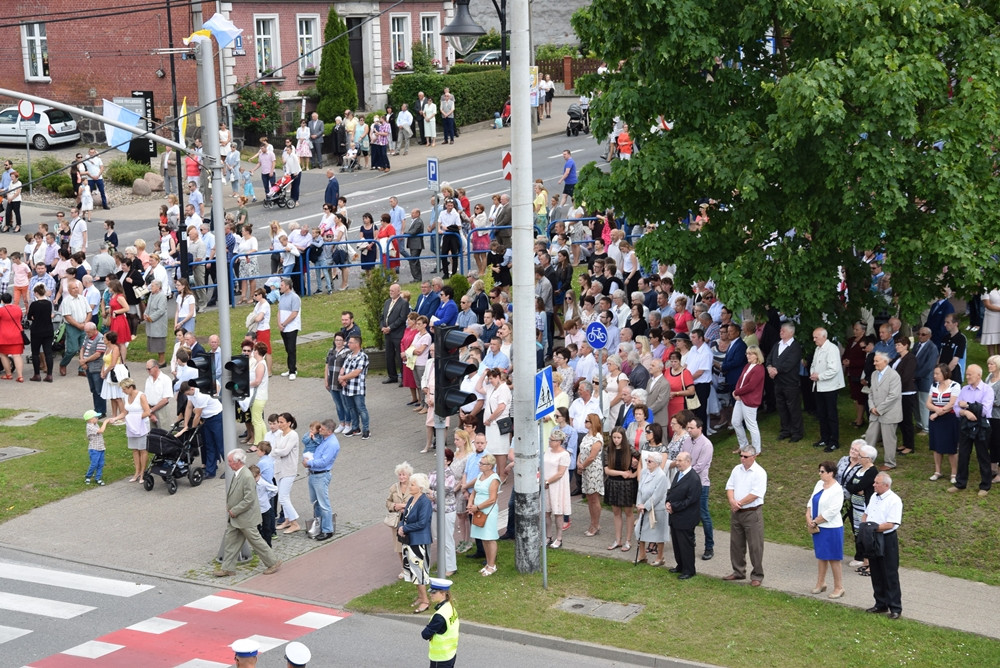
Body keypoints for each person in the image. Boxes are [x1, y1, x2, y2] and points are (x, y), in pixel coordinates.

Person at [213, 449, 283, 578]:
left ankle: (273, 562)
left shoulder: (246, 476)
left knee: (256, 541)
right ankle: (228, 568)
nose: (228, 464)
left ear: (238, 462)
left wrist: (234, 510)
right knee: (230, 542)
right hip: (237, 517)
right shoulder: (239, 473)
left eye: (230, 461)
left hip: (245, 517)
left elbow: (249, 499)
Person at [722, 446, 767, 586]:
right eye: (741, 456)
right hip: (737, 512)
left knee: (755, 545)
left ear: (754, 457)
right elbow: (730, 487)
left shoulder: (759, 473)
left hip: (751, 513)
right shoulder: (737, 469)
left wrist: (739, 503)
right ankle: (738, 571)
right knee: (736, 544)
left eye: (745, 456)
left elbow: (755, 494)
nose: (742, 458)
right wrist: (732, 501)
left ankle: (757, 575)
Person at [949, 364, 996, 496]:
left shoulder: (987, 390)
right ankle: (960, 483)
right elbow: (957, 408)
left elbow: (985, 410)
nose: (967, 376)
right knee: (963, 454)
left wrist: (967, 405)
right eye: (967, 374)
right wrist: (966, 413)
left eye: (970, 374)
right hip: (965, 425)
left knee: (983, 455)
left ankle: (985, 486)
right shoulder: (964, 389)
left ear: (979, 375)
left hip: (981, 426)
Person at [862, 472, 903, 619]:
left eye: (876, 483)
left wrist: (871, 528)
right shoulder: (874, 497)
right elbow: (866, 514)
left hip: (886, 539)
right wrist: (864, 526)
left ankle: (895, 607)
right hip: (872, 537)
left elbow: (891, 524)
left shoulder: (894, 500)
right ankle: (880, 603)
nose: (873, 485)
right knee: (876, 571)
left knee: (889, 573)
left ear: (886, 485)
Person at [806, 460, 846, 598]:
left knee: (834, 558)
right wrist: (808, 515)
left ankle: (839, 587)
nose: (820, 474)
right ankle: (820, 583)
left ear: (831, 473)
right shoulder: (819, 484)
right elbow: (811, 501)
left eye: (822, 471)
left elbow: (833, 510)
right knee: (821, 556)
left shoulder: (837, 489)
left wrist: (816, 521)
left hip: (831, 528)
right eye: (819, 471)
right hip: (818, 527)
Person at [398, 472, 434, 611]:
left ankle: (425, 600)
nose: (410, 486)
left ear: (420, 487)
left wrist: (405, 528)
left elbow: (422, 522)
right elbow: (405, 516)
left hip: (419, 540)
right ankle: (420, 596)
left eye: (412, 484)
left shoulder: (425, 502)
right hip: (409, 539)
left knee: (419, 570)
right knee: (412, 569)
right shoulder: (411, 500)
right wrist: (401, 526)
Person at [179, 381, 225, 479]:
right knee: (209, 445)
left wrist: (192, 428)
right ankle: (210, 471)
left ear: (192, 389)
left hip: (216, 417)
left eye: (187, 393)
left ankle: (231, 470)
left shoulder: (201, 395)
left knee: (221, 445)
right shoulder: (191, 394)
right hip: (206, 419)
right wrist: (186, 424)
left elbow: (197, 415)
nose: (187, 395)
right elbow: (189, 407)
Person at [666, 452, 702, 579]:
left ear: (688, 461)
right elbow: (672, 490)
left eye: (680, 460)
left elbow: (690, 500)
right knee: (676, 543)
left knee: (686, 544)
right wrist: (668, 502)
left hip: (686, 517)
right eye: (677, 460)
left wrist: (674, 506)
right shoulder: (679, 474)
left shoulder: (694, 479)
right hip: (675, 516)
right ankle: (680, 565)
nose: (677, 463)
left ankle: (689, 570)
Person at [766, 322, 804, 442]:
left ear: (791, 332)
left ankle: (797, 432)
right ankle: (785, 430)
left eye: (783, 331)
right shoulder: (777, 344)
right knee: (781, 407)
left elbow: (789, 364)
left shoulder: (795, 347)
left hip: (790, 383)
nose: (780, 332)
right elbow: (769, 358)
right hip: (778, 382)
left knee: (793, 408)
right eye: (781, 330)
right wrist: (769, 367)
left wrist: (776, 370)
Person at [865, 352, 903, 471]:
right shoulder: (874, 374)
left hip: (889, 413)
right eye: (874, 361)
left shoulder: (894, 375)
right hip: (874, 412)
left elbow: (894, 396)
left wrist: (879, 409)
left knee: (889, 439)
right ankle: (866, 459)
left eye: (877, 361)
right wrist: (872, 408)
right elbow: (870, 392)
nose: (874, 363)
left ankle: (890, 462)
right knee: (870, 436)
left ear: (885, 362)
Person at [303, 419, 340, 541]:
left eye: (322, 429)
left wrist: (309, 463)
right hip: (314, 473)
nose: (320, 430)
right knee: (316, 502)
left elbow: (324, 461)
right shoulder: (324, 439)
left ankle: (327, 529)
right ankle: (318, 525)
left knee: (323, 503)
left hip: (321, 475)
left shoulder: (332, 444)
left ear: (329, 431)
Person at [810, 327, 845, 451]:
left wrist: (819, 376)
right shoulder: (818, 349)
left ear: (824, 336)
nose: (814, 340)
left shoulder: (832, 349)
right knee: (822, 413)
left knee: (831, 414)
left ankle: (834, 440)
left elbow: (833, 369)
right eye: (814, 337)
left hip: (830, 386)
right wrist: (813, 373)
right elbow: (814, 364)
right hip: (819, 385)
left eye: (816, 337)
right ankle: (824, 438)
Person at [603, 426, 637, 551]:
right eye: (614, 437)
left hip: (627, 485)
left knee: (628, 512)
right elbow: (607, 470)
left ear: (623, 438)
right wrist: (621, 473)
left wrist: (634, 473)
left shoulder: (629, 449)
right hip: (613, 483)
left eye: (618, 437)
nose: (616, 440)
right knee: (616, 513)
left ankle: (628, 540)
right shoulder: (608, 449)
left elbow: (642, 460)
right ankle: (618, 539)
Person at [467, 452, 500, 575]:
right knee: (483, 538)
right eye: (480, 463)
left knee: (489, 538)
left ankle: (492, 565)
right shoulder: (481, 475)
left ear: (490, 466)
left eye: (482, 463)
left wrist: (477, 507)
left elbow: (492, 499)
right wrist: (470, 503)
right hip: (478, 509)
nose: (479, 465)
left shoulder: (494, 479)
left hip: (488, 510)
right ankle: (488, 562)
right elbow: (474, 492)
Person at [634, 451, 669, 565]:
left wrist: (646, 506)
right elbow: (640, 490)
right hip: (643, 507)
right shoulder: (644, 472)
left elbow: (657, 495)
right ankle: (642, 555)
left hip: (657, 509)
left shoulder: (661, 476)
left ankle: (660, 557)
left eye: (650, 461)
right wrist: (639, 504)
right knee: (639, 530)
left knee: (658, 534)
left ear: (657, 463)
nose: (647, 463)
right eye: (646, 461)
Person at [271, 412, 302, 533]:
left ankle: (294, 522)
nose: (279, 424)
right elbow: (274, 450)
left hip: (289, 469)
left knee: (283, 497)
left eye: (281, 422)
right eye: (278, 422)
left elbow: (285, 452)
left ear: (289, 423)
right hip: (278, 469)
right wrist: (277, 451)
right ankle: (288, 520)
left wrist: (277, 452)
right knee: (284, 496)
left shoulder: (293, 435)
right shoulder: (279, 435)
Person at [732, 345, 765, 454]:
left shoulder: (759, 368)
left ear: (756, 355)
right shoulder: (747, 366)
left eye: (750, 353)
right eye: (747, 353)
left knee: (751, 425)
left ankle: (757, 449)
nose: (748, 355)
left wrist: (737, 392)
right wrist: (737, 391)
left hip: (750, 399)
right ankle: (744, 445)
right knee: (735, 422)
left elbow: (751, 386)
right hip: (741, 398)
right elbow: (740, 380)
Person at [421, 577, 460, 667]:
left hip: (440, 658)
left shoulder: (439, 615)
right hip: (450, 653)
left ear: (443, 594)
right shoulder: (450, 606)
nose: (431, 594)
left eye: (434, 592)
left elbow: (425, 634)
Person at [578, 413, 605, 537]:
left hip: (593, 470)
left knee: (594, 498)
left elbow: (592, 456)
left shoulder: (597, 438)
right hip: (585, 469)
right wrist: (579, 462)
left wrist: (583, 465)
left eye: (587, 421)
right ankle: (592, 522)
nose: (585, 423)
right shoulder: (586, 437)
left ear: (592, 423)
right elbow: (581, 451)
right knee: (589, 497)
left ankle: (596, 523)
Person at [481, 368, 512, 475]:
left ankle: (502, 474)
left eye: (492, 378)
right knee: (492, 449)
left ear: (498, 377)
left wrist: (490, 419)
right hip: (491, 425)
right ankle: (496, 474)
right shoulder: (491, 388)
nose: (490, 381)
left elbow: (501, 407)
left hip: (499, 423)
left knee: (501, 451)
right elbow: (478, 388)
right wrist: (483, 375)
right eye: (489, 378)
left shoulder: (504, 389)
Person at [387, 462, 414, 575]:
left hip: (411, 519)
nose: (402, 477)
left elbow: (417, 501)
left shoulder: (413, 486)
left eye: (404, 474)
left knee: (411, 544)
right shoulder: (394, 487)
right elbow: (388, 502)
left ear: (409, 475)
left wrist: (404, 506)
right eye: (400, 474)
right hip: (397, 519)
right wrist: (394, 506)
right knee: (399, 545)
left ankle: (413, 566)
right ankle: (404, 568)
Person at [381, 283, 410, 384]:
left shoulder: (403, 303)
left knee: (399, 355)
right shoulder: (387, 302)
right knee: (389, 355)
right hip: (387, 334)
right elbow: (382, 316)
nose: (390, 293)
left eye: (392, 291)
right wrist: (382, 327)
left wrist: (390, 327)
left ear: (398, 291)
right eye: (390, 291)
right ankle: (392, 376)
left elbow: (402, 318)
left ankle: (403, 377)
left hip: (397, 333)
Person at [26, 284, 54, 382]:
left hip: (37, 330)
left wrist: (34, 317)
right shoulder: (48, 303)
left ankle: (37, 374)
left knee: (35, 353)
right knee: (48, 353)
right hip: (48, 329)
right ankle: (50, 375)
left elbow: (29, 316)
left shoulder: (34, 304)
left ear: (36, 293)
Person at [277, 278, 301, 380]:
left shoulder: (295, 297)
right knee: (287, 348)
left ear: (287, 286)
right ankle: (291, 367)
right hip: (283, 327)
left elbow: (294, 313)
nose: (280, 287)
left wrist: (285, 323)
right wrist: (279, 324)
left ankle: (292, 371)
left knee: (291, 349)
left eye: (282, 285)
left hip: (291, 327)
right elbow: (279, 311)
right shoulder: (281, 297)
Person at [83, 409, 113, 486]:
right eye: (96, 417)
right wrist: (105, 422)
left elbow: (99, 435)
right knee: (94, 464)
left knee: (101, 464)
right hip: (94, 449)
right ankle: (88, 476)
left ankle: (98, 478)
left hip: (100, 448)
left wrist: (103, 442)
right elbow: (100, 431)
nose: (97, 418)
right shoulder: (89, 426)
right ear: (91, 419)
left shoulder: (95, 424)